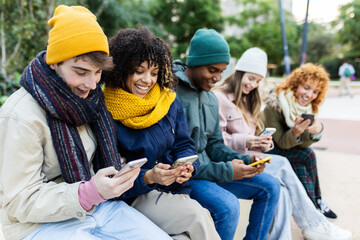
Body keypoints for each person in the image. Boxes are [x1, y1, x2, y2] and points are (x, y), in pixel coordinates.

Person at [0, 5, 172, 240]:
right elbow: (19, 201)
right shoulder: (21, 114)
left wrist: (119, 173)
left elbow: (92, 165)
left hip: (98, 208)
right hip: (35, 224)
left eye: (98, 72)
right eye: (81, 72)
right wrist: (87, 193)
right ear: (54, 62)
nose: (92, 85)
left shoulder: (92, 101)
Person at [213, 47, 352, 240]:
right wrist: (249, 140)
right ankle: (314, 223)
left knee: (285, 188)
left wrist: (262, 143)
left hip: (251, 156)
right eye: (251, 78)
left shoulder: (249, 100)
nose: (253, 85)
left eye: (258, 81)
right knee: (285, 165)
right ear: (240, 73)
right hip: (232, 162)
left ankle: (284, 236)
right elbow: (216, 142)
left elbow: (259, 140)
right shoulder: (219, 98)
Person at [101, 26, 220, 240]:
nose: (147, 80)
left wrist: (188, 166)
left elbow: (185, 144)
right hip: (134, 196)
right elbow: (108, 171)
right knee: (199, 216)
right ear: (122, 69)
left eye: (154, 72)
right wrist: (149, 176)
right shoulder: (105, 110)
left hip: (174, 190)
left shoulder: (168, 100)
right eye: (139, 71)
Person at [174, 29, 280, 240]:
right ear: (193, 63)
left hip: (210, 170)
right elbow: (175, 158)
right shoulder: (173, 94)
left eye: (222, 71)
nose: (218, 78)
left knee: (271, 186)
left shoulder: (211, 99)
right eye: (212, 70)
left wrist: (245, 159)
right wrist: (227, 171)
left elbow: (215, 145)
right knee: (228, 206)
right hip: (184, 177)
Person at [262, 63, 338, 220]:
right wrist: (296, 131)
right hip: (267, 147)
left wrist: (316, 129)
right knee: (307, 155)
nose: (310, 95)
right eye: (307, 88)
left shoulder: (306, 108)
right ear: (295, 85)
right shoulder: (274, 104)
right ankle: (316, 204)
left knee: (302, 161)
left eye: (315, 91)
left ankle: (314, 207)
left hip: (290, 149)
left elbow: (302, 144)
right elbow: (281, 142)